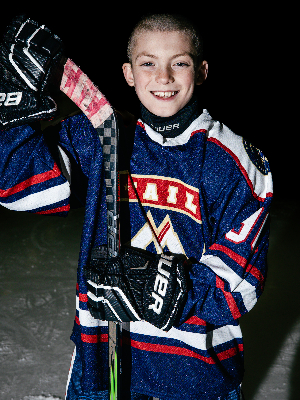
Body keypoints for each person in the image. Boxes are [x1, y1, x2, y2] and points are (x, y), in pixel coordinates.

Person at [0, 13, 273, 400]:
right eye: (148, 63)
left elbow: (240, 285)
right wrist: (9, 111)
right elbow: (17, 186)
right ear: (128, 73)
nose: (163, 77)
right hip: (100, 367)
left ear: (202, 69)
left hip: (195, 377)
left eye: (179, 62)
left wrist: (158, 287)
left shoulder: (234, 162)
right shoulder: (98, 137)